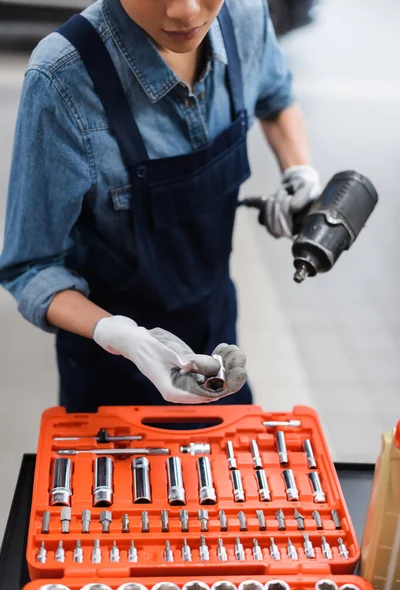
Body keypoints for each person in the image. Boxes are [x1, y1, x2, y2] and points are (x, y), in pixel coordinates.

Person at [0, 0, 320, 412]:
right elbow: (30, 267)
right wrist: (117, 334)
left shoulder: (245, 17)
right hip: (111, 369)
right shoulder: (63, 79)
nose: (186, 13)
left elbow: (276, 98)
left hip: (216, 331)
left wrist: (298, 171)